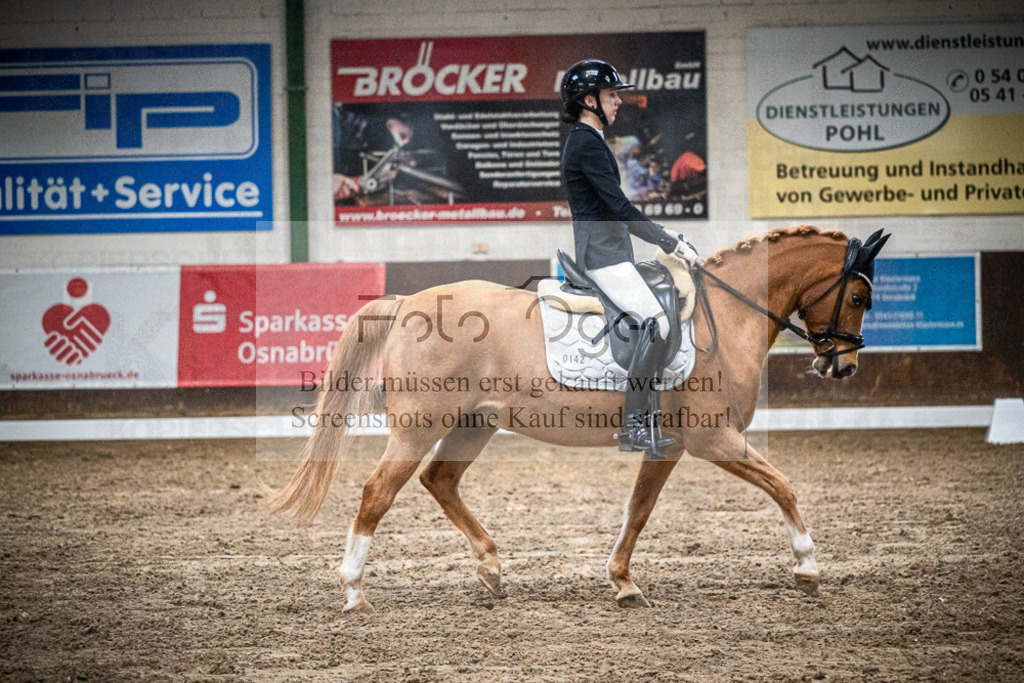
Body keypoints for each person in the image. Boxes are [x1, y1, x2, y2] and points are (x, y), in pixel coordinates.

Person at [559, 58, 701, 459]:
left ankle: (648, 419)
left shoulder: (590, 140)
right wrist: (667, 241)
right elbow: (619, 207)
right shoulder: (585, 143)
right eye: (611, 95)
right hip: (602, 257)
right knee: (656, 323)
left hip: (611, 252)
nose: (619, 101)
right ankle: (634, 425)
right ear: (589, 100)